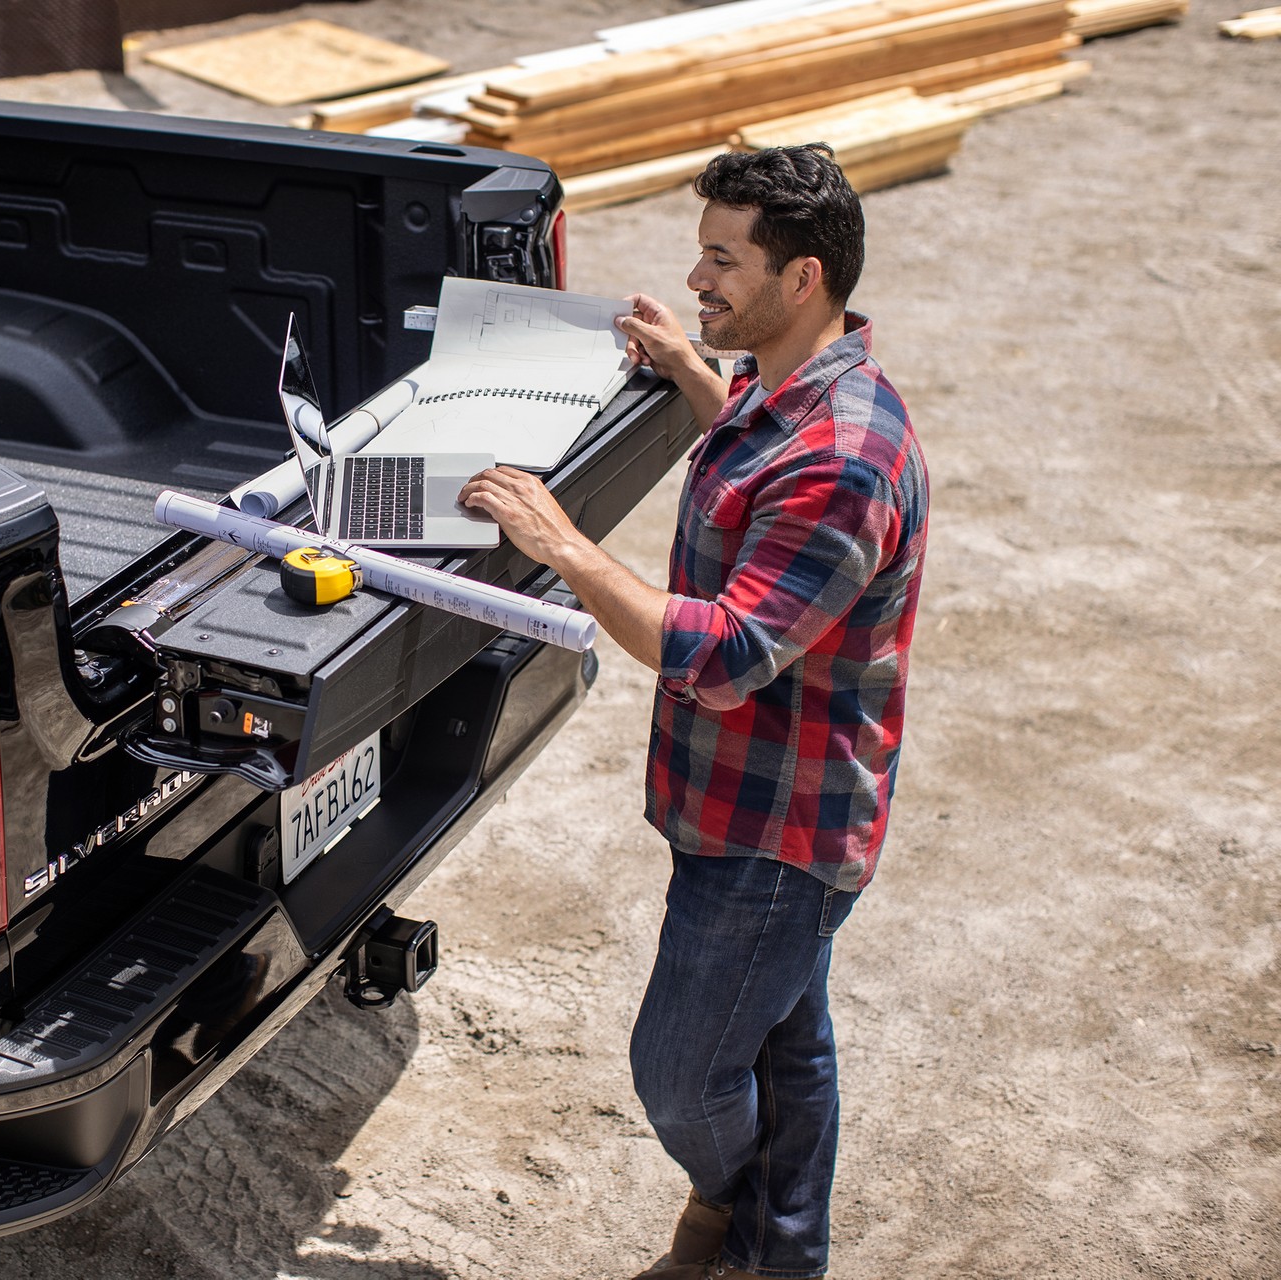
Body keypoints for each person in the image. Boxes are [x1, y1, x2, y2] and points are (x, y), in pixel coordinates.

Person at [458, 144, 928, 1280]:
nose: (699, 276)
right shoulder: (792, 380)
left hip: (777, 827)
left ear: (801, 276)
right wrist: (691, 367)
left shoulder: (843, 460)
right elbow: (758, 447)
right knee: (787, 1040)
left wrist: (561, 542)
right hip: (750, 792)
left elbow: (725, 653)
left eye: (724, 260)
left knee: (681, 1070)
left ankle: (731, 1210)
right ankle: (784, 1256)